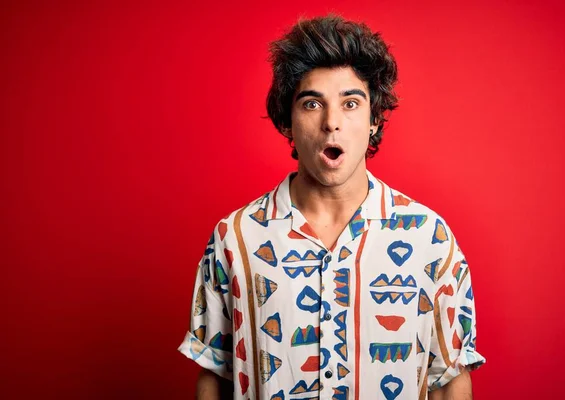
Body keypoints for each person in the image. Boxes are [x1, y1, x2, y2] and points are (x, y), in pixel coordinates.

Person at [178, 14, 485, 400]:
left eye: (351, 103)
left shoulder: (430, 239)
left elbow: (449, 381)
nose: (331, 123)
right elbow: (215, 376)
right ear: (287, 122)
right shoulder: (234, 239)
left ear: (373, 119)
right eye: (311, 104)